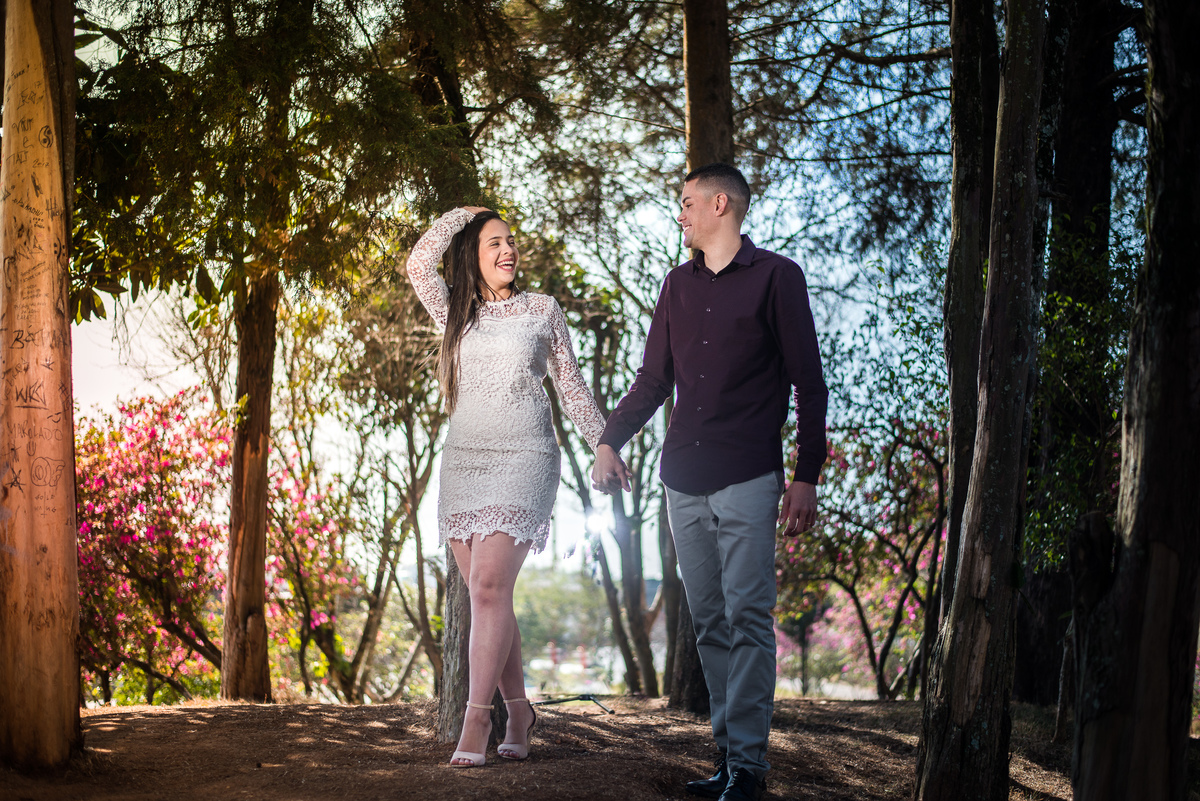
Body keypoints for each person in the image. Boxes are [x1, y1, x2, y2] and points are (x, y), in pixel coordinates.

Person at [591, 164, 827, 801]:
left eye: (687, 203)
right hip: (682, 479)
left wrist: (805, 474)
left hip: (749, 474)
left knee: (748, 616)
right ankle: (728, 759)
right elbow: (652, 380)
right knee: (710, 623)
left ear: (720, 204)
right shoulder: (676, 285)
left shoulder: (778, 277)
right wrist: (610, 440)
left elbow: (809, 382)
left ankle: (749, 769)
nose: (681, 214)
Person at [405, 206, 606, 767]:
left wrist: (603, 445)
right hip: (464, 461)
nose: (508, 250)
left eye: (511, 241)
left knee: (489, 586)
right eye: (493, 242)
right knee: (487, 595)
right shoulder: (456, 312)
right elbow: (419, 264)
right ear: (472, 255)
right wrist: (462, 216)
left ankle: (477, 720)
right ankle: (519, 711)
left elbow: (571, 387)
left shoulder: (542, 309)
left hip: (526, 456)